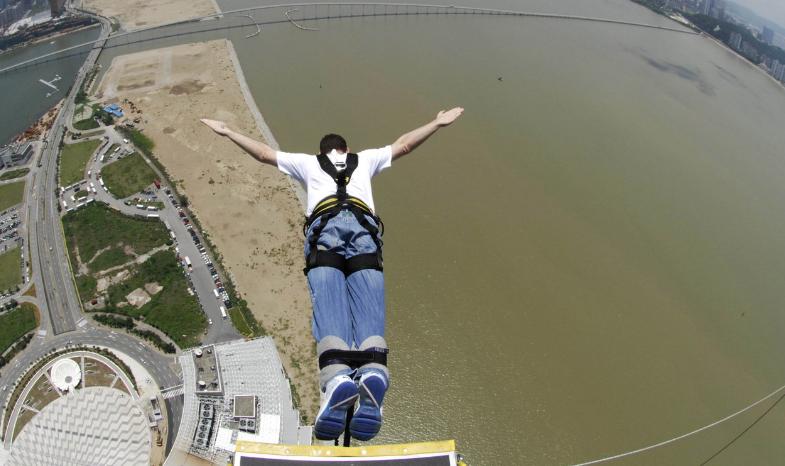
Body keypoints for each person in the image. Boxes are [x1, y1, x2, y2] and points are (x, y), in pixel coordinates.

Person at [201, 107, 464, 441]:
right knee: (369, 308)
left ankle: (338, 377)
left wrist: (227, 131)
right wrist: (437, 124)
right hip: (364, 236)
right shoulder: (365, 160)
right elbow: (405, 145)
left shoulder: (308, 163)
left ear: (322, 151)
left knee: (330, 307)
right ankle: (372, 371)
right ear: (347, 150)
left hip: (325, 236)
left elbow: (264, 154)